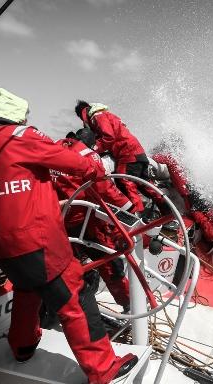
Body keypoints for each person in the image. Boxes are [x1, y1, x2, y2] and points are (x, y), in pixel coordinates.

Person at [0, 88, 137, 384]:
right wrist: (99, 165)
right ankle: (103, 367)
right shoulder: (19, 137)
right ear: (11, 116)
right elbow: (76, 164)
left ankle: (22, 346)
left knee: (27, 288)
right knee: (75, 296)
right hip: (34, 239)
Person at [53, 129, 131, 310]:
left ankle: (72, 305)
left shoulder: (54, 148)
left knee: (68, 268)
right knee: (111, 264)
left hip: (58, 222)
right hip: (86, 221)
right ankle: (129, 306)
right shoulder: (88, 156)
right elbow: (105, 189)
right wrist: (131, 209)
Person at [74, 101, 148, 212]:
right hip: (135, 150)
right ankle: (167, 212)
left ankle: (138, 215)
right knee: (144, 183)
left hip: (126, 152)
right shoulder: (106, 114)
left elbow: (109, 136)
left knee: (124, 180)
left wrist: (94, 149)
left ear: (82, 113)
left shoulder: (97, 116)